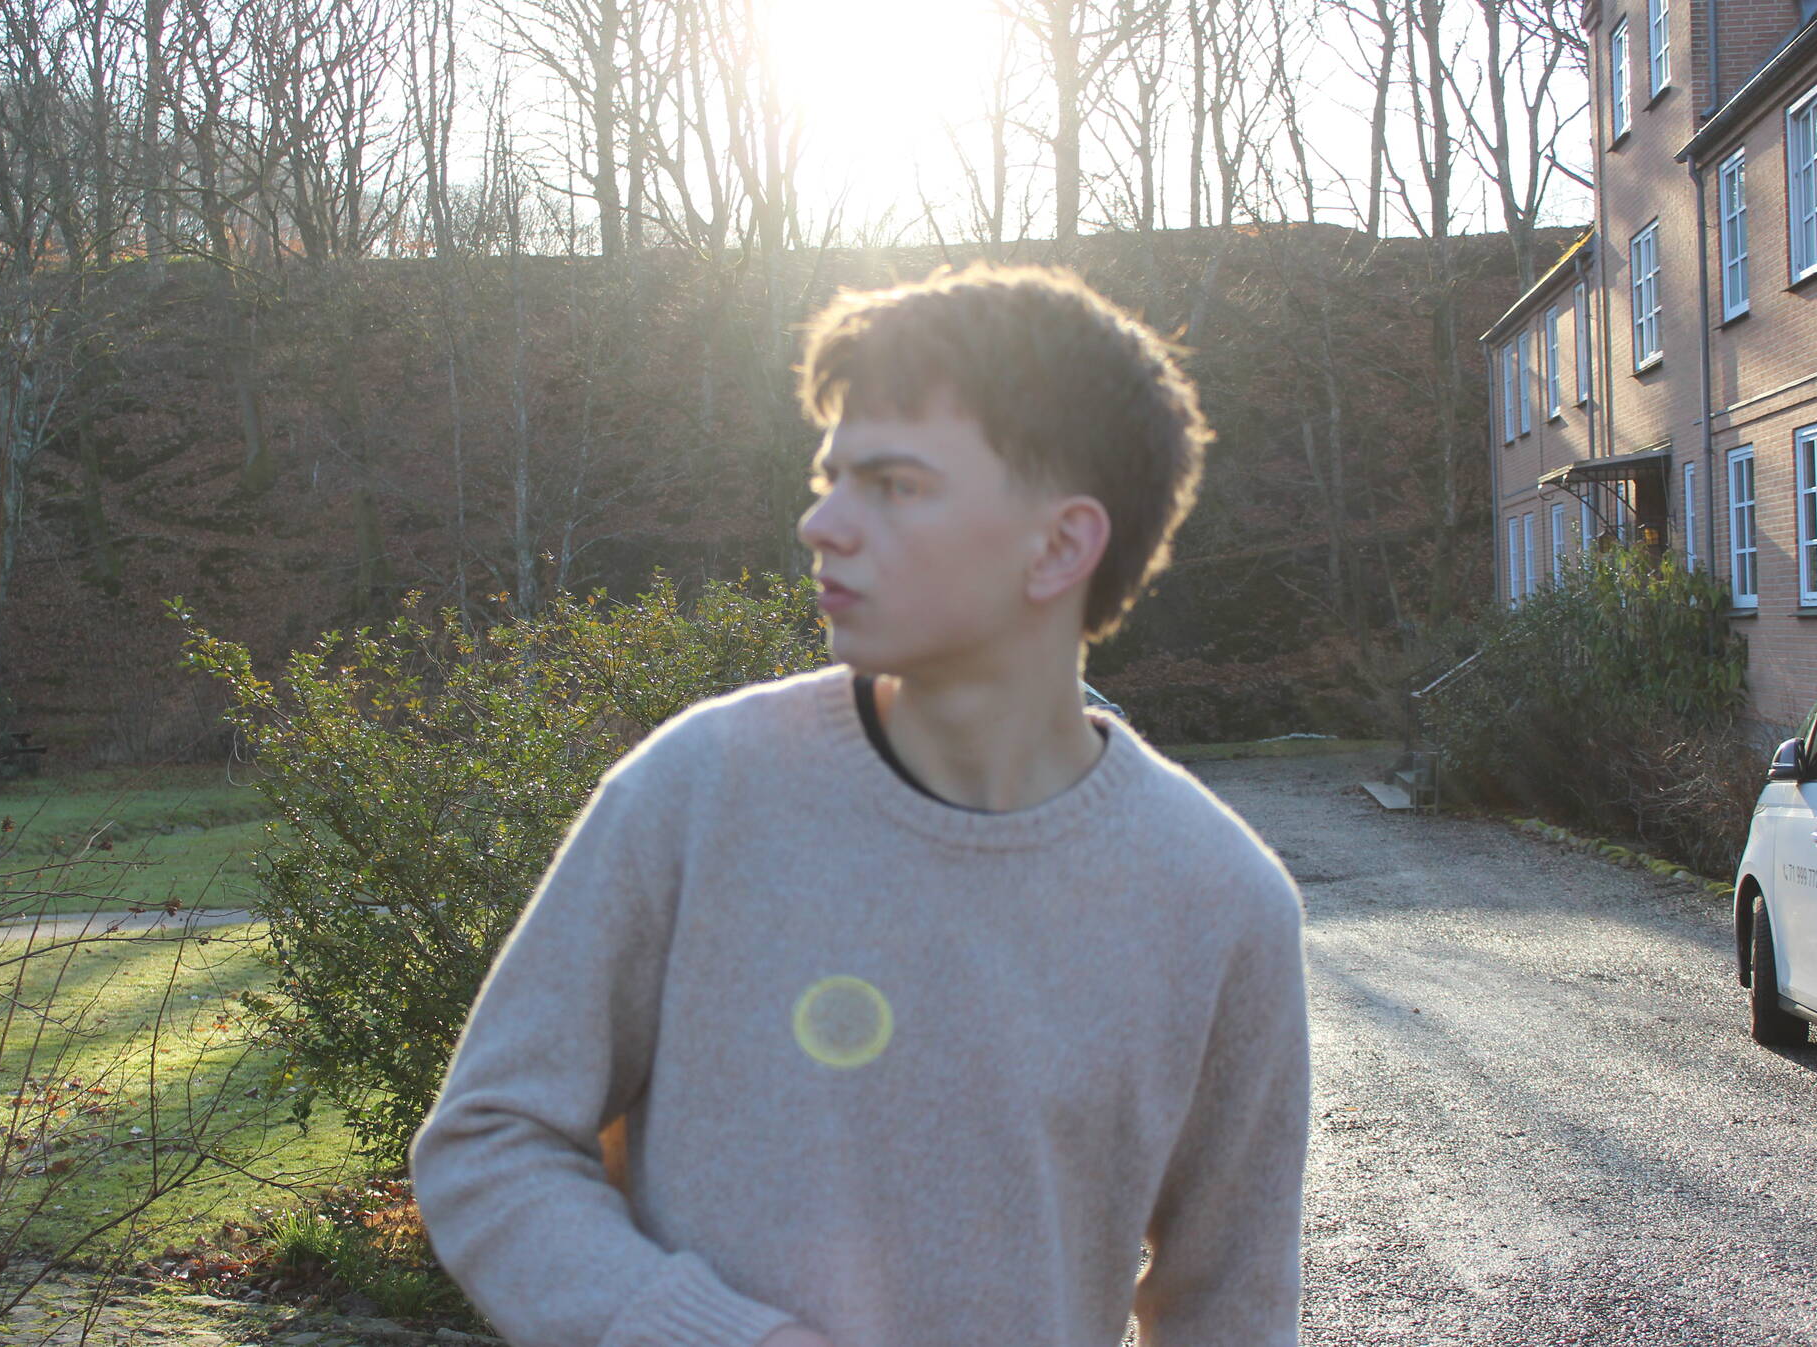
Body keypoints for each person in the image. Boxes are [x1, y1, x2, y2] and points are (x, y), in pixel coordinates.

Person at [409, 264, 1310, 1347]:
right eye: (829, 476)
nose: (820, 522)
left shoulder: (1222, 903)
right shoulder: (699, 790)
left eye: (892, 484)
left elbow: (1231, 1305)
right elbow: (488, 1139)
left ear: (1061, 545)